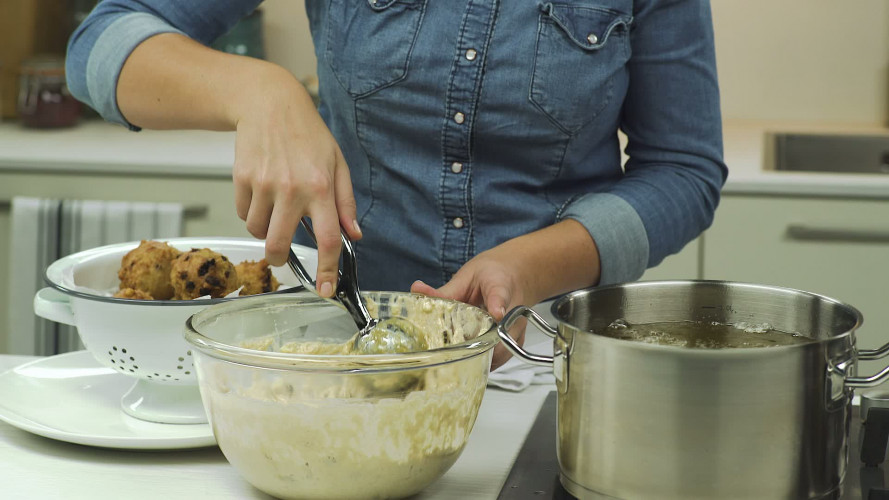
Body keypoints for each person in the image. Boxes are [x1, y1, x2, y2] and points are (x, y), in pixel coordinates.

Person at [66, 0, 727, 369]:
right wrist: (260, 90)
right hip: (320, 350)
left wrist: (524, 268)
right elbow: (99, 44)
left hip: (544, 359)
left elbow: (682, 170)